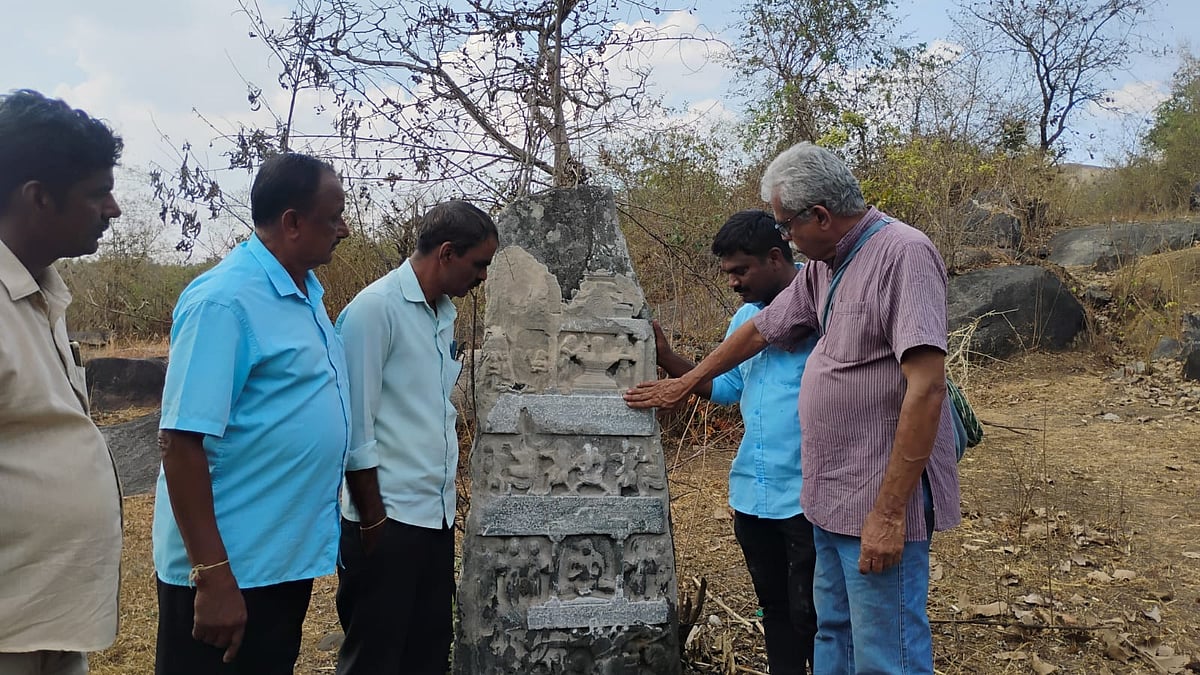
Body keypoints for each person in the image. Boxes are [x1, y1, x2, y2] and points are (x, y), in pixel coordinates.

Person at [626, 142, 960, 674]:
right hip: (827, 496)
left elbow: (926, 388)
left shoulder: (903, 254)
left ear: (820, 216)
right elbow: (760, 330)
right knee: (833, 633)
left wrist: (889, 513)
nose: (784, 238)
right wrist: (685, 380)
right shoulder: (824, 268)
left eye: (785, 226)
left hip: (874, 494)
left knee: (885, 648)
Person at [152, 153, 351, 674]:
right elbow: (180, 441)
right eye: (333, 218)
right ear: (292, 222)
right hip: (228, 573)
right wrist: (213, 574)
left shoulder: (304, 292)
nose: (344, 229)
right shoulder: (224, 302)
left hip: (276, 562)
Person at [334, 200, 498, 675]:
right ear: (446, 253)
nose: (483, 276)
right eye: (478, 264)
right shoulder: (374, 311)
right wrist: (373, 521)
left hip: (433, 516)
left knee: (427, 650)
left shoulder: (441, 313)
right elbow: (355, 426)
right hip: (385, 519)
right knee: (375, 657)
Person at [653, 209, 817, 674]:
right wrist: (667, 358)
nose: (733, 282)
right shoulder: (746, 316)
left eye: (741, 270)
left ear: (774, 257)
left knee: (814, 613)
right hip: (753, 496)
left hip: (807, 497)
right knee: (774, 608)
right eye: (727, 272)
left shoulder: (823, 303)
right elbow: (726, 388)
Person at [0, 89, 124, 675]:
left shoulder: (40, 292)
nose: (113, 209)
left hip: (49, 624)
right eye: (98, 193)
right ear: (38, 197)